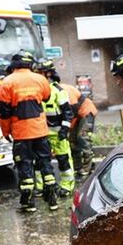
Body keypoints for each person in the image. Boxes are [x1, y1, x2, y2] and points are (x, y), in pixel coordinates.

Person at [0, 50, 57, 212]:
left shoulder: (7, 82)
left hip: (21, 133)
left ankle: (28, 203)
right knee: (45, 163)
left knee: (25, 166)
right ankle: (52, 198)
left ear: (14, 64)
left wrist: (5, 131)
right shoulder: (40, 79)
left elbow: (4, 112)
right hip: (40, 131)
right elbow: (47, 97)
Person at [36, 58, 75, 197]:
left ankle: (66, 186)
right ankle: (42, 187)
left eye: (41, 72)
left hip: (58, 133)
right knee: (40, 161)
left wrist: (64, 130)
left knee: (63, 160)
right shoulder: (36, 90)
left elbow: (68, 112)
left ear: (48, 73)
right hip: (42, 134)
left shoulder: (58, 90)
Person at [61, 79, 99, 176]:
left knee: (82, 137)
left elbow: (72, 111)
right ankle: (77, 167)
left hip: (85, 111)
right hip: (76, 115)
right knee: (72, 141)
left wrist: (67, 128)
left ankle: (88, 166)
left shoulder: (65, 92)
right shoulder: (58, 91)